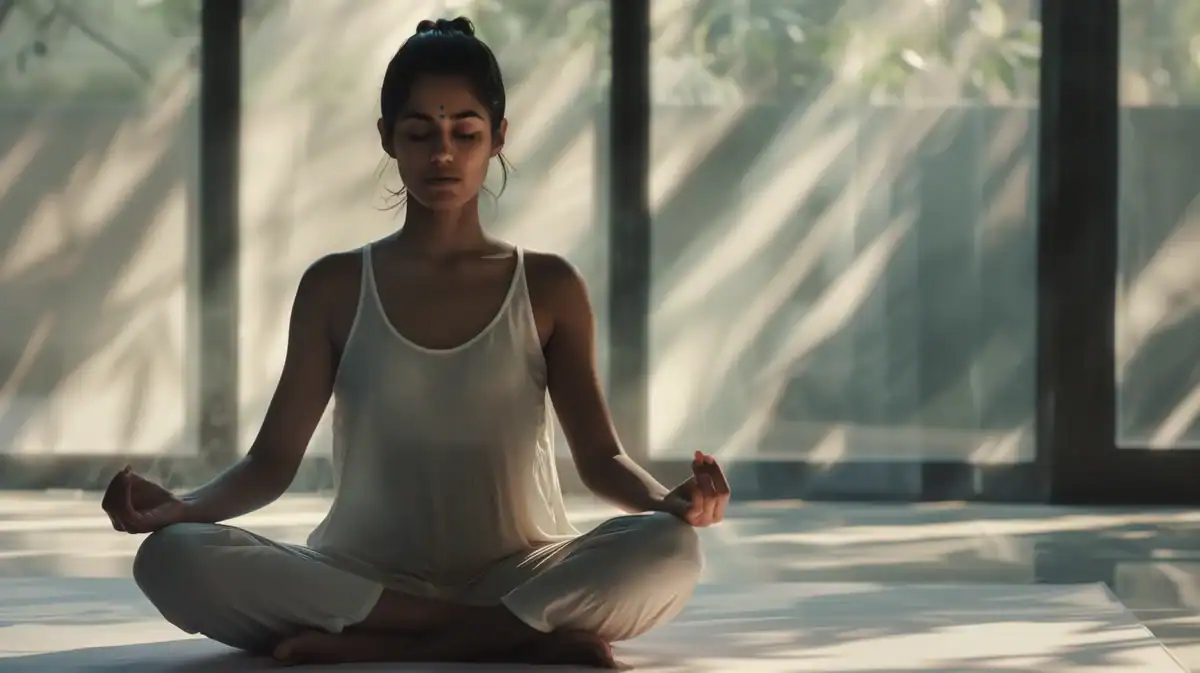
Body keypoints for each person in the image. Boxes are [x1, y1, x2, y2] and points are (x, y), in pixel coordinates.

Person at [100, 16, 731, 668]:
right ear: (387, 138)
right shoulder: (335, 286)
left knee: (669, 548)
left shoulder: (548, 285)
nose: (443, 155)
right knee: (173, 557)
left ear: (498, 139)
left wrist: (668, 501)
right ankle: (508, 633)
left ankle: (387, 642)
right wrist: (183, 507)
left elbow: (600, 458)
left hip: (520, 566)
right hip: (364, 576)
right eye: (420, 132)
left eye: (465, 132)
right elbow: (270, 464)